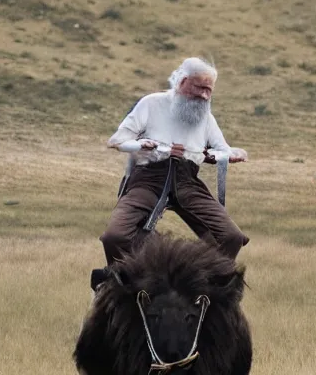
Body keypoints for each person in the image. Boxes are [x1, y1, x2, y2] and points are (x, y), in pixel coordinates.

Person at [100, 57, 249, 263]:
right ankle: (118, 281)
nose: (205, 96)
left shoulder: (206, 117)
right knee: (114, 237)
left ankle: (206, 286)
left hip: (187, 181)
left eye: (209, 90)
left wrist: (232, 154)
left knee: (231, 238)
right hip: (149, 179)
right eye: (200, 88)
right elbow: (117, 141)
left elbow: (222, 149)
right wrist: (144, 145)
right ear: (182, 82)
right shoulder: (151, 103)